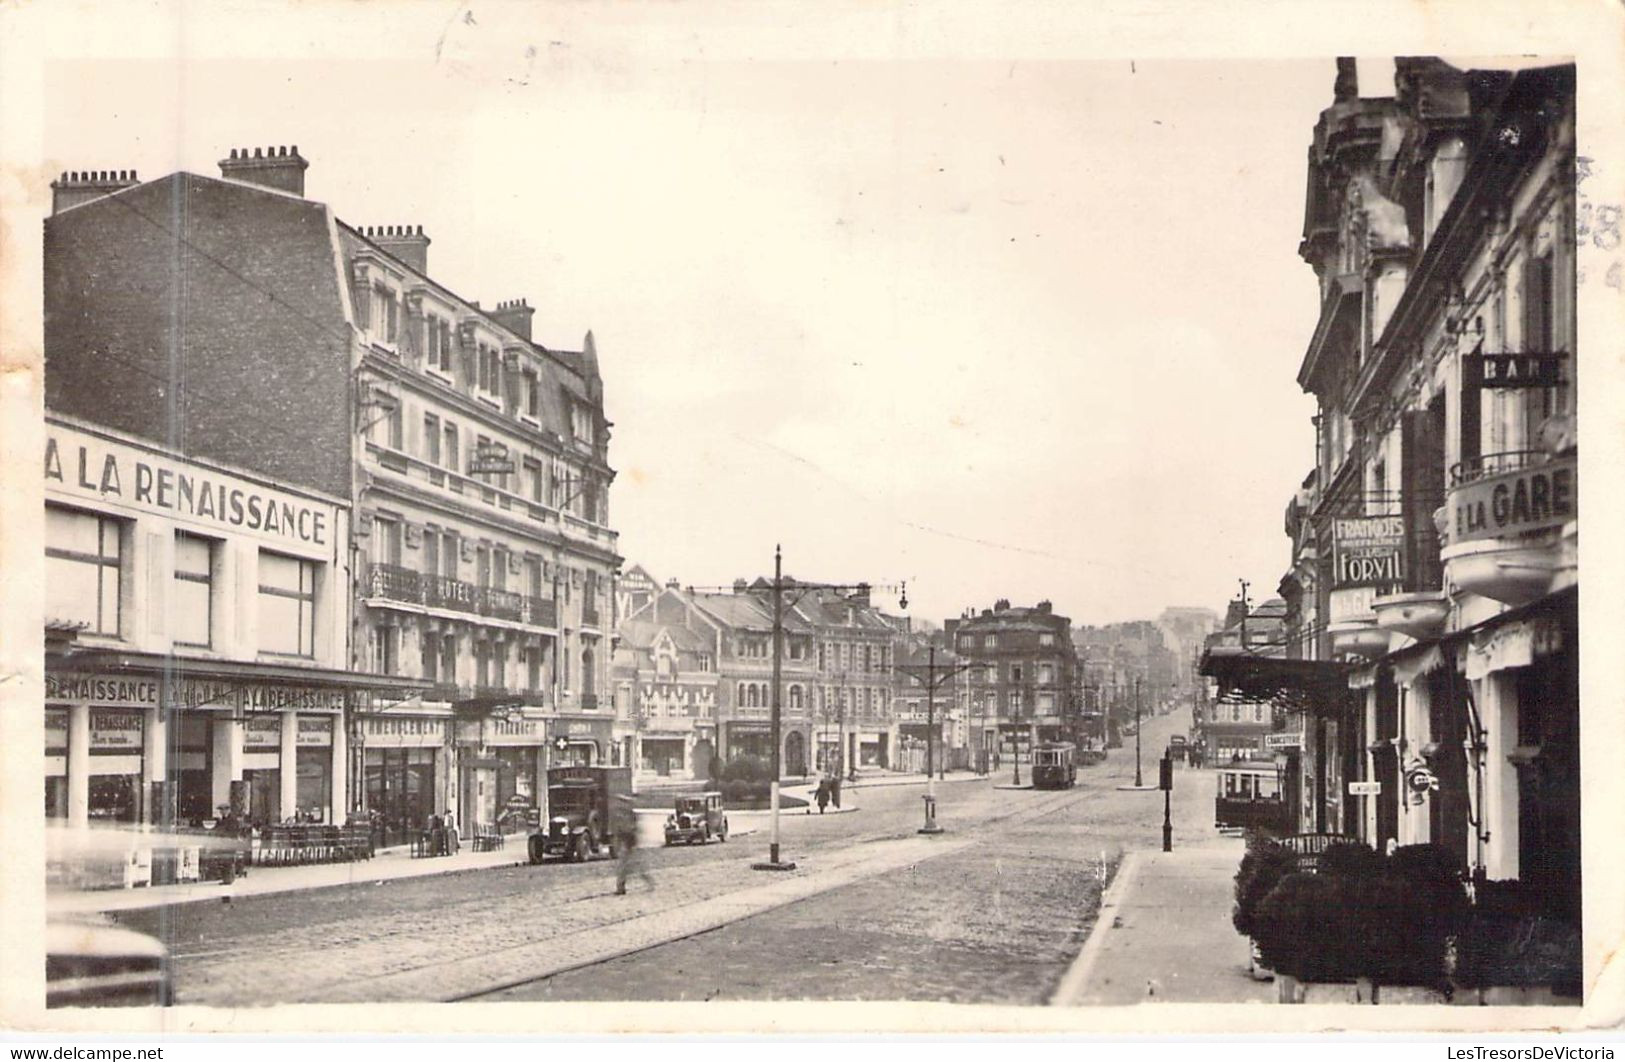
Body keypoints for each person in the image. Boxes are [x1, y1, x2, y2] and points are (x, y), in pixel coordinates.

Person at [613, 795, 653, 895]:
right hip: (626, 844)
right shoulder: (621, 816)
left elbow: (634, 830)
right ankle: (621, 888)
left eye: (624, 803)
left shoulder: (632, 816)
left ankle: (649, 883)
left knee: (636, 867)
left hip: (631, 844)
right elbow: (618, 831)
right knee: (623, 868)